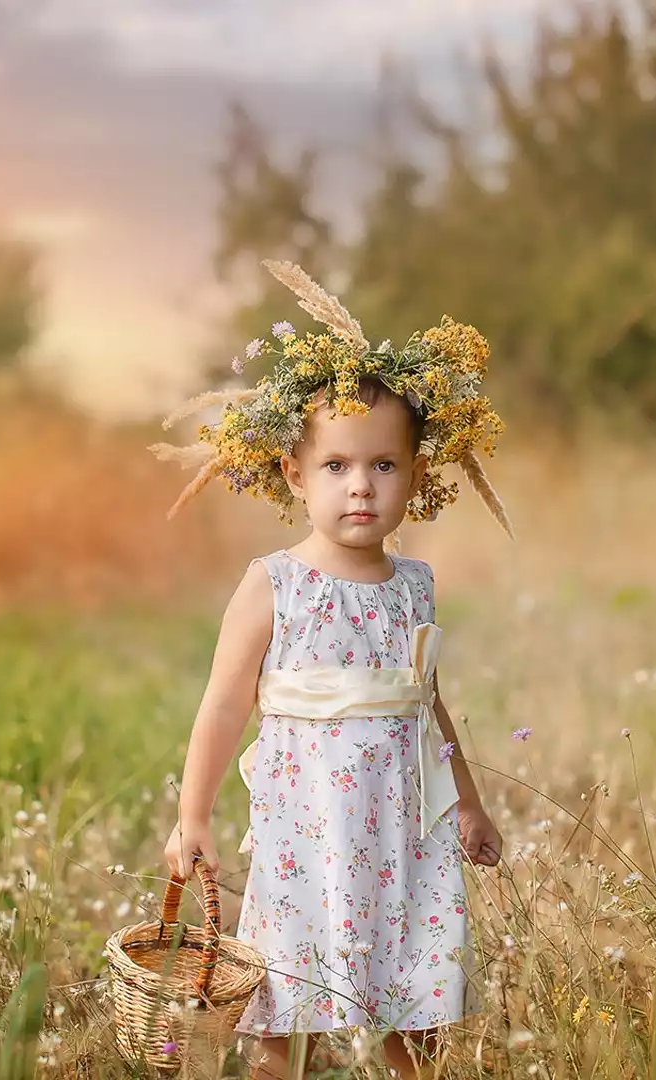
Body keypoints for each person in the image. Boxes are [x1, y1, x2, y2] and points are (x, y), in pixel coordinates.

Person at [150, 260, 514, 1080]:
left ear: (417, 475)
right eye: (338, 467)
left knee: (413, 1006)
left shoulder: (413, 585)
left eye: (384, 466)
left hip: (405, 824)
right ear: (293, 474)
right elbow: (221, 705)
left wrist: (472, 805)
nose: (361, 488)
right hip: (309, 824)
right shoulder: (275, 583)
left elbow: (428, 702)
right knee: (292, 1008)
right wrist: (193, 816)